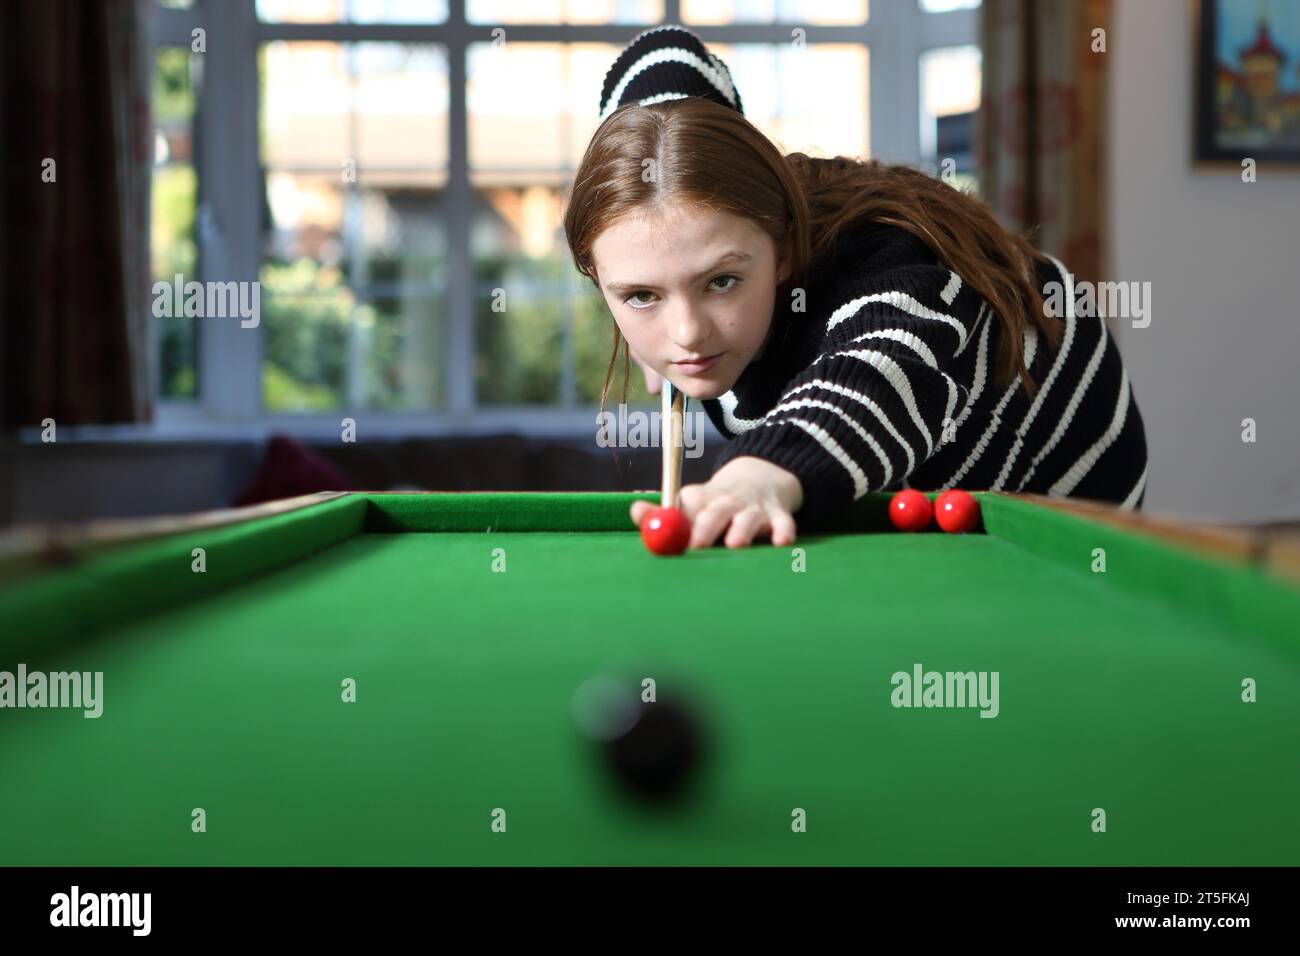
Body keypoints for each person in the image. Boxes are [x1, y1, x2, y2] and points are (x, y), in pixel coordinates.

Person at [564, 25, 1148, 550]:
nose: (687, 333)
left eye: (721, 281)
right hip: (919, 508)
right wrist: (654, 339)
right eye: (640, 294)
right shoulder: (690, 302)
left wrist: (759, 472)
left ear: (786, 247)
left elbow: (884, 370)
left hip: (1060, 513)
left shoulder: (884, 256)